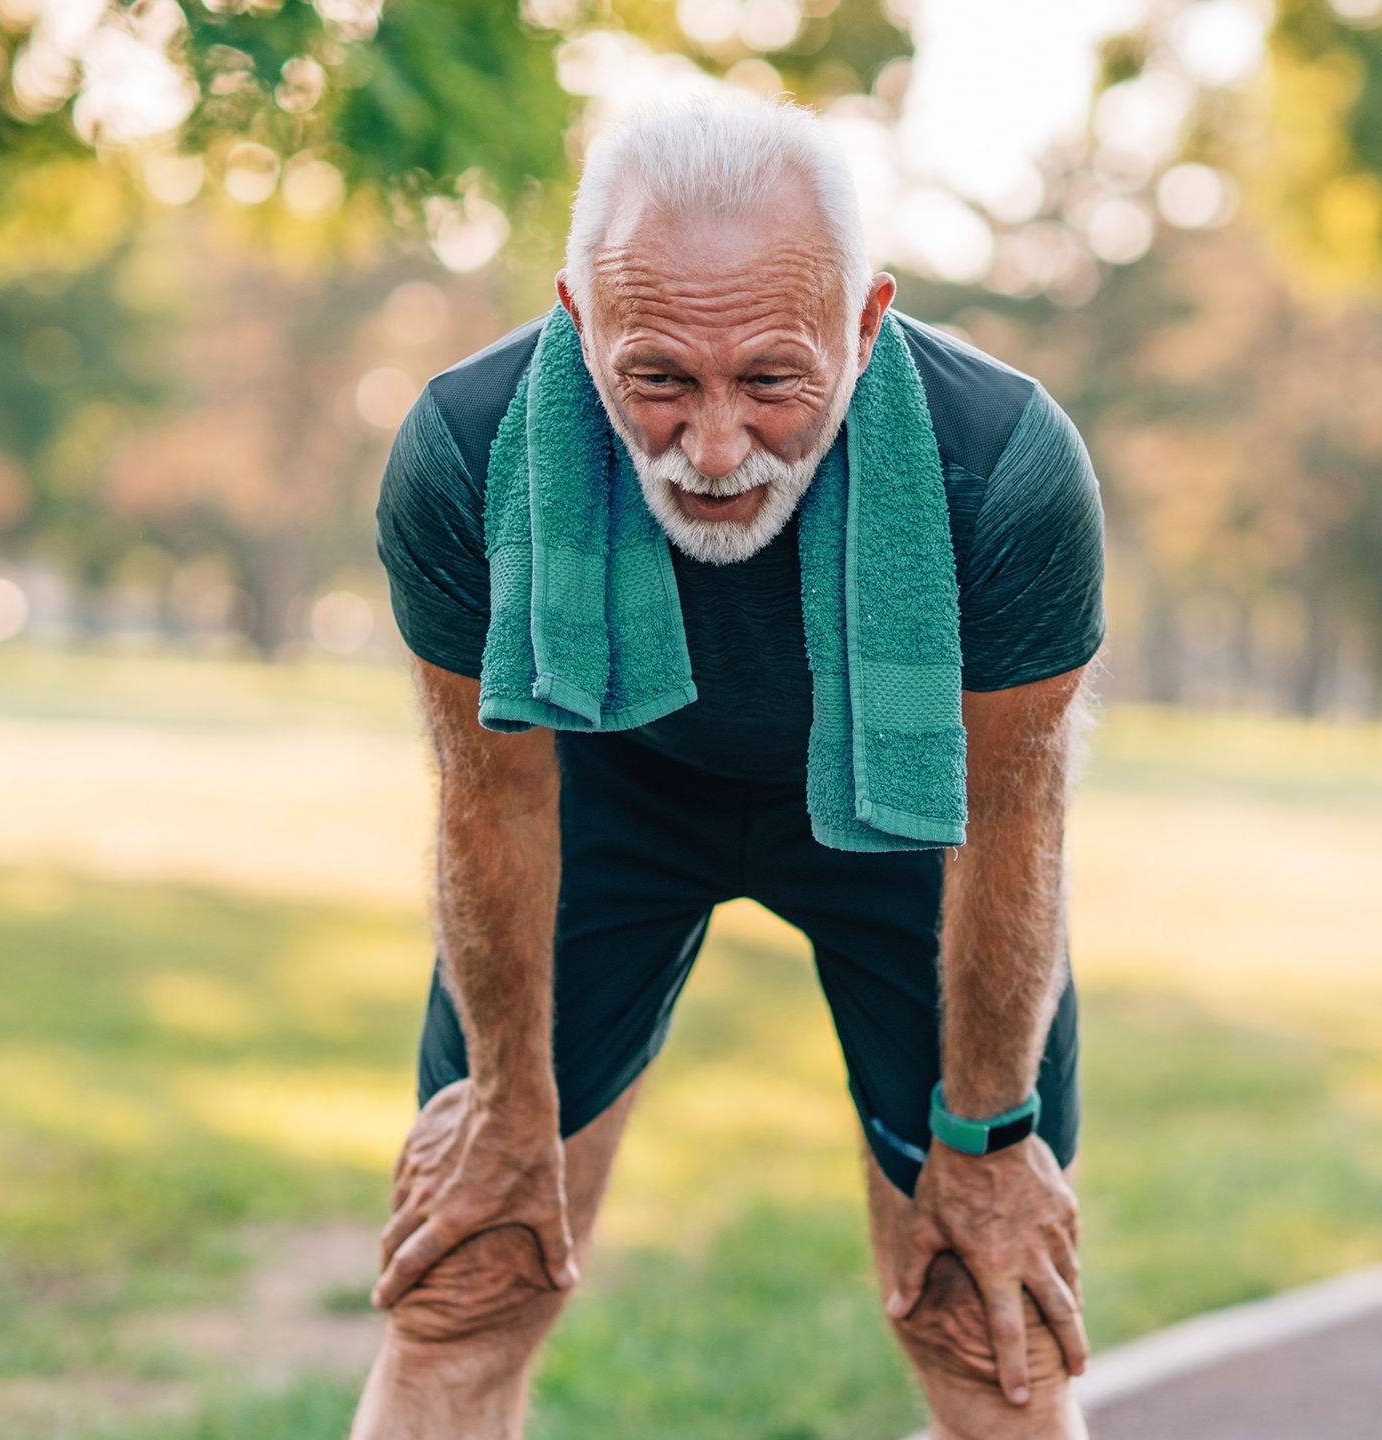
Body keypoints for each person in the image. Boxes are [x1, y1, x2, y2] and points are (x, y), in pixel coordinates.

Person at [352, 93, 1107, 1440]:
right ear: (578, 326)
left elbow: (1012, 835)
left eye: (770, 379)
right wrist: (512, 1106)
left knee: (985, 1314)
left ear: (865, 326)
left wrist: (988, 1144)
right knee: (472, 1272)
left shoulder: (1004, 471)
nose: (711, 451)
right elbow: (492, 802)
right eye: (658, 380)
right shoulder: (466, 456)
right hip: (602, 788)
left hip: (903, 807)